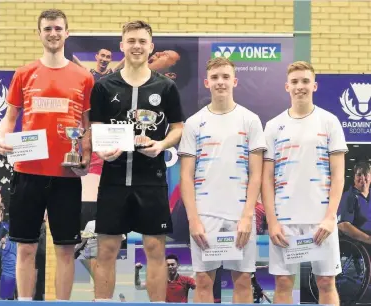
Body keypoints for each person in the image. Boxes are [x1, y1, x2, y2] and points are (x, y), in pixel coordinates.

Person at [0, 9, 94, 301]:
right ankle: (25, 302)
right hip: (28, 173)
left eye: (58, 28)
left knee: (64, 249)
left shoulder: (84, 77)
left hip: (66, 175)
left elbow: (87, 125)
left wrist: (85, 157)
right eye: (47, 28)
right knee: (25, 247)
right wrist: (1, 137)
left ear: (67, 33)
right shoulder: (24, 73)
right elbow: (9, 116)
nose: (53, 33)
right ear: (39, 34)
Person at [89, 20, 184, 302]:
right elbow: (94, 126)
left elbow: (178, 127)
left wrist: (162, 144)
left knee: (155, 249)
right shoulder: (104, 86)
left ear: (151, 47)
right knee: (106, 249)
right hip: (113, 179)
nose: (137, 46)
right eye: (131, 41)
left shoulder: (165, 87)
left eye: (142, 41)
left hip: (151, 179)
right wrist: (101, 149)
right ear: (122, 46)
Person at [178, 56, 266, 303]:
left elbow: (256, 173)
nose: (220, 82)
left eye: (225, 77)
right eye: (215, 78)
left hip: (240, 216)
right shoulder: (194, 123)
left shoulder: (250, 120)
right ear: (207, 82)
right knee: (204, 282)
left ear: (234, 81)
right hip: (205, 217)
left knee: (242, 282)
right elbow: (186, 175)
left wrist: (248, 216)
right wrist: (193, 220)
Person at [261, 61, 347, 305]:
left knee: (326, 282)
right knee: (284, 283)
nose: (300, 86)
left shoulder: (330, 122)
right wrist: (272, 221)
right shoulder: (273, 126)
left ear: (315, 85)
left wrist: (331, 217)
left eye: (305, 81)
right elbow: (266, 179)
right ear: (287, 86)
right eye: (295, 82)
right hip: (284, 221)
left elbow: (338, 175)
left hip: (321, 220)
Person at [338, 161, 371, 242]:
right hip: (360, 244)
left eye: (366, 174)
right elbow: (343, 225)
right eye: (359, 175)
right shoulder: (349, 196)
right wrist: (368, 239)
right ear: (354, 178)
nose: (362, 178)